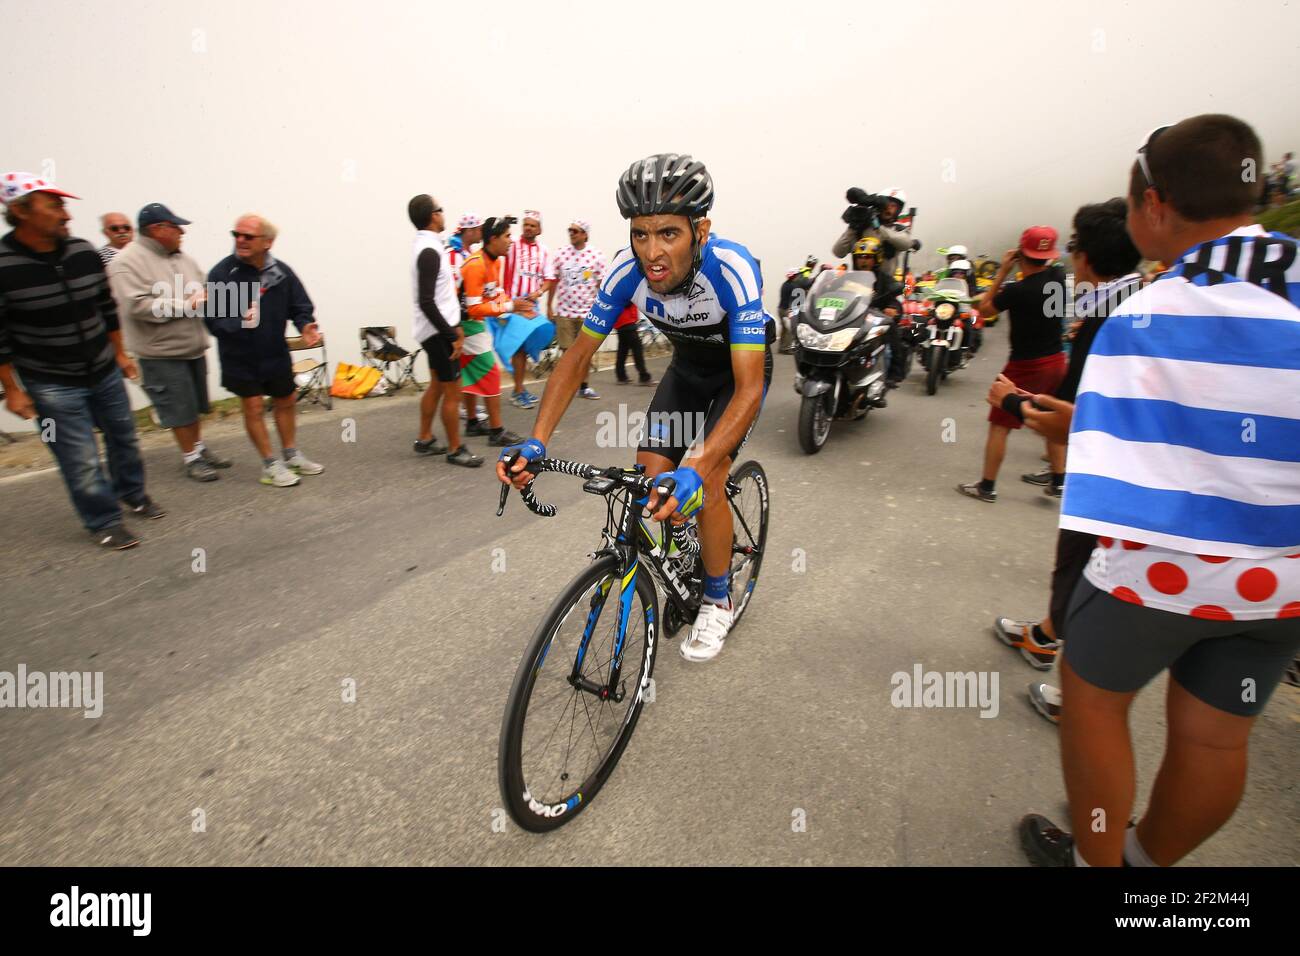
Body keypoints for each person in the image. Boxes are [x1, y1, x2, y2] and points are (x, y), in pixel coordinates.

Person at [1018, 114, 1300, 868]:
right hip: (1281, 579)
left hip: (1162, 569)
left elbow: (1109, 470)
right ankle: (1149, 870)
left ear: (1155, 204)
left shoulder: (1144, 313)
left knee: (1095, 706)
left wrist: (1059, 428)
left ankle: (1098, 864)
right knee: (1216, 737)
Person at [498, 153, 772, 663]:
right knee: (649, 475)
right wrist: (537, 440)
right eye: (641, 234)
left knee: (707, 479)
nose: (653, 251)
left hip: (736, 379)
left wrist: (697, 465)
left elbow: (749, 387)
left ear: (701, 229)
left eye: (669, 233)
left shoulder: (731, 269)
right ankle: (686, 541)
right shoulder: (627, 273)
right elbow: (578, 357)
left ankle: (717, 596)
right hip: (687, 372)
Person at [986, 198, 1142, 722]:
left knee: (1085, 566)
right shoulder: (1139, 294)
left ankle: (1079, 696)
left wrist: (1009, 399)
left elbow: (1076, 418)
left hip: (1113, 471)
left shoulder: (1104, 314)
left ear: (1087, 257)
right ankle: (1047, 635)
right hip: (1060, 370)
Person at [0, 171, 162, 549]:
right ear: (22, 211)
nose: (65, 213)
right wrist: (13, 390)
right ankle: (104, 521)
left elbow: (106, 308)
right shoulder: (4, 267)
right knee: (81, 457)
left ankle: (133, 495)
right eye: (54, 205)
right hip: (50, 382)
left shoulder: (83, 252)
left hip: (103, 369)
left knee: (125, 438)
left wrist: (120, 354)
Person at [107, 202, 231, 482]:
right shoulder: (126, 262)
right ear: (158, 229)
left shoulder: (181, 258)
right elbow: (136, 305)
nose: (181, 233)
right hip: (160, 352)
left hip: (192, 347)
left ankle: (198, 448)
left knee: (194, 405)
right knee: (177, 408)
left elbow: (205, 288)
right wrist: (186, 305)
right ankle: (191, 459)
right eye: (176, 227)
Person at [205, 214, 324, 487]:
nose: (240, 240)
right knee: (254, 406)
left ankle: (291, 454)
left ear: (267, 242)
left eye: (248, 236)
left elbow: (300, 305)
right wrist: (239, 323)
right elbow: (213, 321)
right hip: (240, 356)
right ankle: (270, 465)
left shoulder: (280, 272)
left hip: (275, 351)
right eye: (237, 235)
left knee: (286, 400)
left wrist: (306, 325)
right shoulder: (223, 274)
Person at [956, 226, 1066, 503]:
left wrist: (1002, 271)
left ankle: (987, 486)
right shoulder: (1059, 278)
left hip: (1026, 364)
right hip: (1057, 361)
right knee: (1051, 419)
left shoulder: (1018, 290)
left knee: (999, 423)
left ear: (1020, 254)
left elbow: (984, 308)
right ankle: (1059, 482)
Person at [407, 194, 482, 466]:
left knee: (438, 386)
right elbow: (427, 300)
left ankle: (425, 438)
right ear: (433, 216)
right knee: (453, 391)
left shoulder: (429, 246)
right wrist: (452, 335)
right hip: (439, 333)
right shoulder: (428, 251)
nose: (443, 213)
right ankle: (455, 449)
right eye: (440, 209)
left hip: (435, 330)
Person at [503, 210, 555, 408]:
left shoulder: (544, 251)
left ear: (539, 229)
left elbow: (549, 278)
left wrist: (539, 292)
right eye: (525, 224)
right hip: (513, 304)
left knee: (525, 348)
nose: (528, 228)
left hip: (531, 306)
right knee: (518, 348)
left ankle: (520, 388)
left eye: (532, 225)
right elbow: (495, 244)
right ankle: (517, 391)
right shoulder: (512, 244)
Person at [549, 218, 607, 398]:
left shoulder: (596, 256)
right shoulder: (560, 254)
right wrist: (549, 305)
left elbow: (601, 284)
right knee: (567, 352)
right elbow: (553, 280)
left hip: (587, 313)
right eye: (570, 231)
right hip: (565, 312)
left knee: (584, 353)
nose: (571, 234)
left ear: (585, 234)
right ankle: (566, 386)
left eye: (575, 231)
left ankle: (584, 386)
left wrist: (602, 308)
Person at [850, 237, 906, 390]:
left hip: (873, 319)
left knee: (892, 333)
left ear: (876, 258)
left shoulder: (884, 279)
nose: (863, 260)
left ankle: (894, 373)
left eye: (867, 257)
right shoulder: (848, 278)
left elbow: (895, 299)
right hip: (849, 319)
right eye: (859, 257)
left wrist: (893, 309)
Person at [832, 186, 920, 276]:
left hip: (887, 287)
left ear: (898, 210)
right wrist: (852, 228)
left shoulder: (899, 230)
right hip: (860, 284)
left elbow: (905, 243)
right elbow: (838, 252)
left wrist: (877, 226)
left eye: (893, 206)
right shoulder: (862, 228)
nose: (888, 208)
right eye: (886, 205)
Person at [612, 303, 654, 385]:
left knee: (623, 351)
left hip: (622, 322)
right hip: (627, 321)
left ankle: (621, 376)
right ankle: (644, 377)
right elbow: (627, 302)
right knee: (637, 349)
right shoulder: (625, 291)